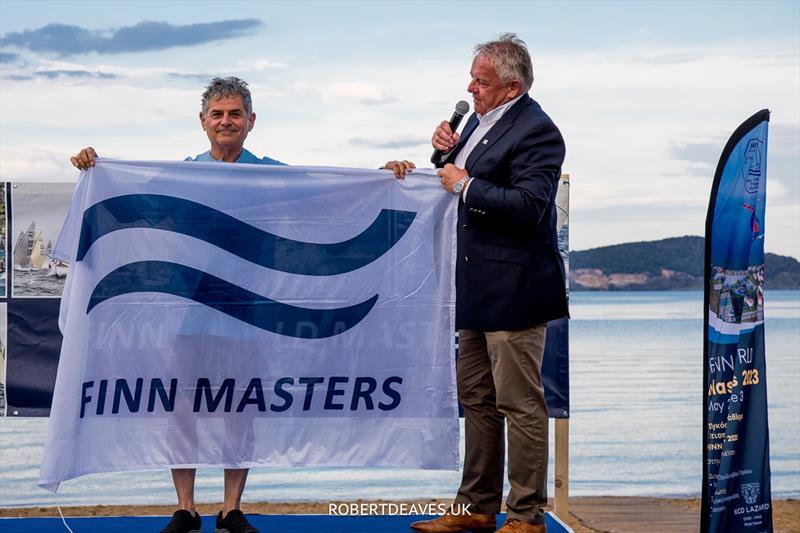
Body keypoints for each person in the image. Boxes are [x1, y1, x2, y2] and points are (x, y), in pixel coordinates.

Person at [71, 77, 282, 533]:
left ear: (251, 121)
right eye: (218, 114)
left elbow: (335, 191)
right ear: (203, 122)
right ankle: (186, 508)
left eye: (235, 113)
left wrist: (386, 177)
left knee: (239, 410)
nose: (226, 121)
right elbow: (125, 198)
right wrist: (94, 166)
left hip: (249, 314)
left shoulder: (271, 173)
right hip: (187, 314)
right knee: (182, 408)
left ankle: (231, 510)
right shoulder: (181, 174)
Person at [387, 33, 567, 533]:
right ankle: (476, 509)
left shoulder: (538, 131)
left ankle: (527, 515)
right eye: (470, 77)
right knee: (479, 403)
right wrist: (442, 155)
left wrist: (464, 181)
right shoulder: (481, 123)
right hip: (474, 288)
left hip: (517, 291)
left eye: (481, 81)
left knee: (520, 405)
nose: (470, 88)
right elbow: (453, 181)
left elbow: (530, 206)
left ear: (512, 87)